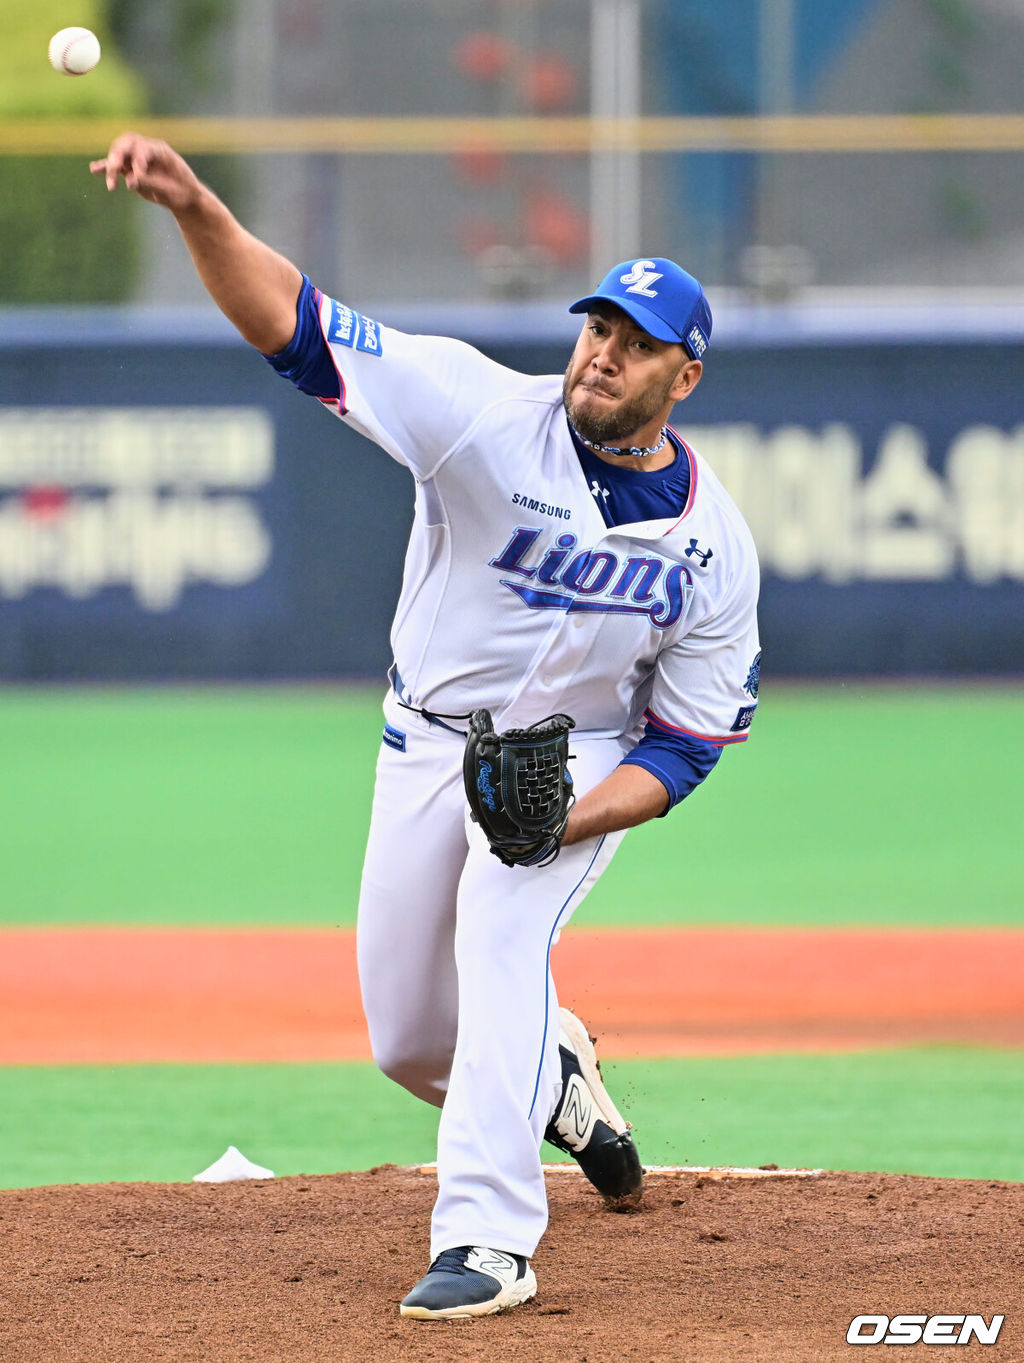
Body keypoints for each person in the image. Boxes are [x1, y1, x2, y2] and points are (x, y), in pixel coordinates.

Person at [91, 134, 762, 1322]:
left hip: (579, 754)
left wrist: (569, 812)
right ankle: (555, 1071)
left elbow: (690, 743)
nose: (603, 353)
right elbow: (296, 325)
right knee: (407, 1037)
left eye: (637, 342)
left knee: (502, 935)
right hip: (426, 738)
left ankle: (489, 1239)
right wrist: (196, 207)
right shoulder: (478, 413)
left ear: (685, 376)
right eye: (597, 326)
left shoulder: (715, 547)